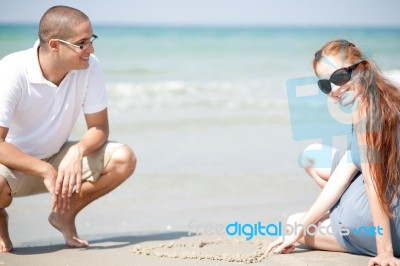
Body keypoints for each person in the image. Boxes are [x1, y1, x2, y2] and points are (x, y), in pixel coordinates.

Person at [0, 5, 137, 252]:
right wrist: (44, 170)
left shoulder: (89, 66)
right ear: (54, 45)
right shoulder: (12, 70)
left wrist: (78, 151)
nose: (91, 49)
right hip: (12, 166)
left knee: (123, 158)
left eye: (91, 40)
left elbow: (99, 127)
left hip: (58, 160)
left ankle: (64, 215)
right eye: (82, 43)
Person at [266, 39, 400, 266]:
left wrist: (385, 252)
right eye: (325, 85)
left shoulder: (365, 112)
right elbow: (342, 175)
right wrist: (303, 227)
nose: (334, 90)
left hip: (386, 224)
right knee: (311, 156)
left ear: (362, 67)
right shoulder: (386, 95)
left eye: (339, 77)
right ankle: (336, 214)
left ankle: (345, 221)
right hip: (392, 200)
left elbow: (374, 184)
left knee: (292, 223)